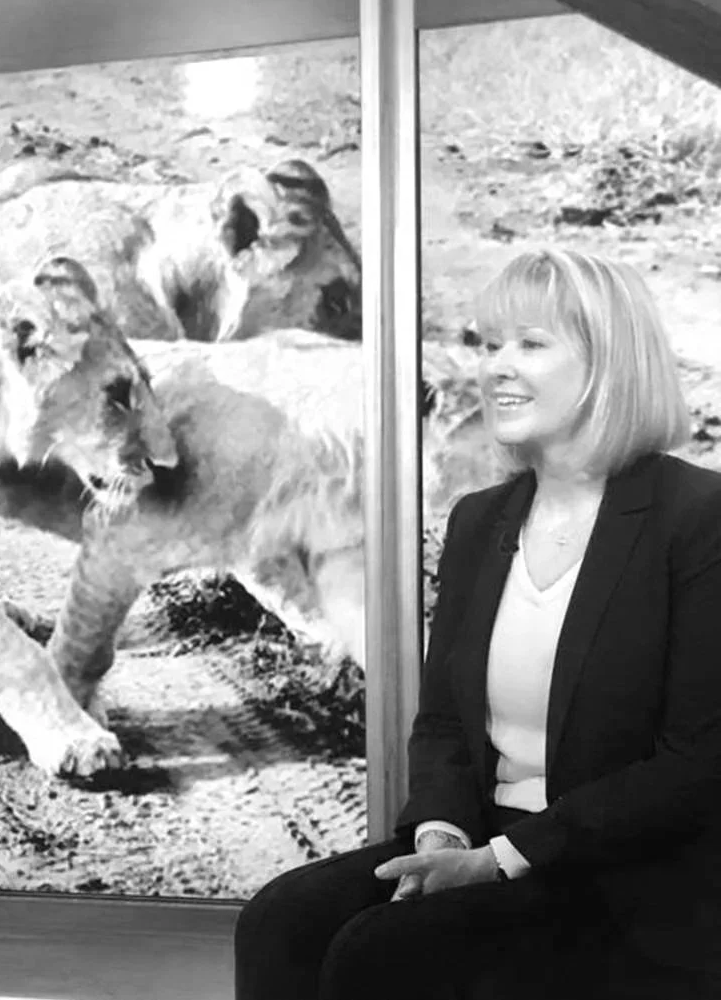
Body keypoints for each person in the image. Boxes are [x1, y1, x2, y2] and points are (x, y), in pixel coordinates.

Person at [233, 248, 721, 1000]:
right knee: (279, 920)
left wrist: (499, 860)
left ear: (610, 362)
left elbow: (695, 766)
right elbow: (442, 729)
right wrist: (441, 835)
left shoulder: (698, 518)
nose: (495, 366)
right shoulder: (478, 520)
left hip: (626, 876)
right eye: (488, 343)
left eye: (530, 343)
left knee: (379, 955)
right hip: (480, 844)